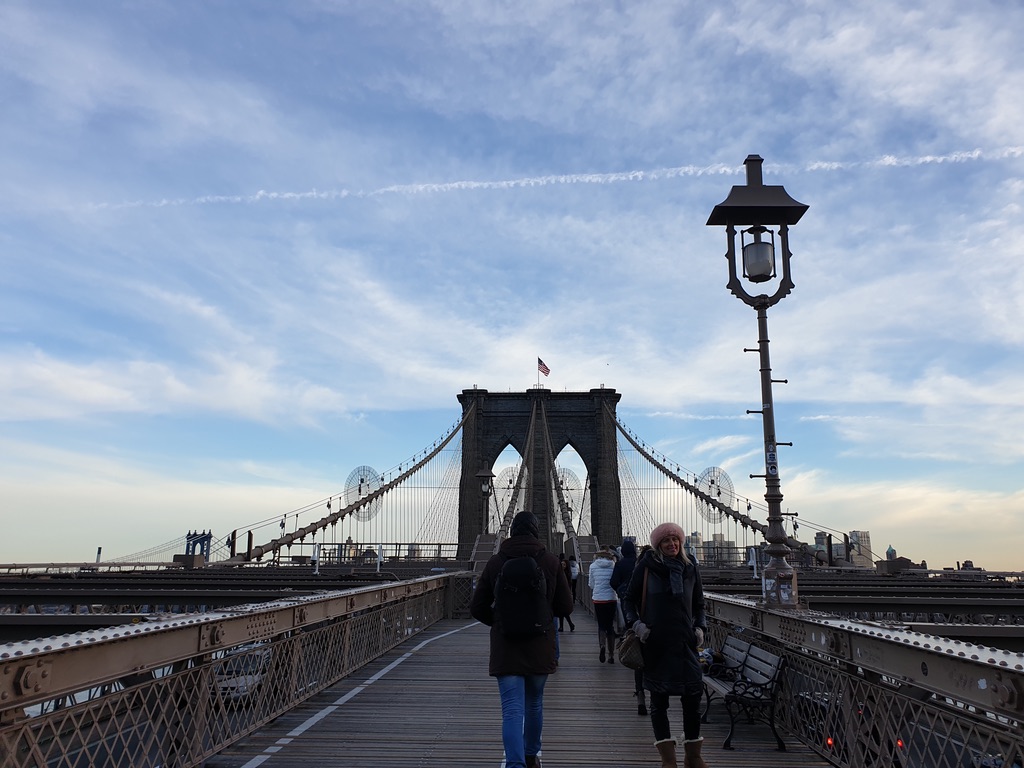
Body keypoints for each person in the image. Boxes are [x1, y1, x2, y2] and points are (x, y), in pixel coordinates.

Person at [469, 511, 573, 768]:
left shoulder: (495, 562)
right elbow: (566, 607)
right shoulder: (549, 561)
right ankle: (531, 755)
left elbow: (477, 606)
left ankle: (515, 764)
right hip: (540, 644)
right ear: (537, 530)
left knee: (512, 709)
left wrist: (499, 621)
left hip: (507, 646)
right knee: (535, 703)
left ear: (512, 531)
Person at [622, 522, 709, 768]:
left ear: (681, 542)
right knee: (658, 703)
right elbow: (628, 600)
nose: (672, 544)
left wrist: (700, 629)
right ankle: (668, 760)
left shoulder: (690, 567)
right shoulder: (647, 567)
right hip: (656, 644)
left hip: (685, 644)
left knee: (693, 699)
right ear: (657, 545)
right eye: (666, 541)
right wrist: (638, 626)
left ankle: (693, 756)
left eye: (675, 540)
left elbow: (700, 604)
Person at [609, 538, 644, 715]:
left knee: (631, 633)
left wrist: (622, 590)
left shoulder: (621, 564)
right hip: (649, 615)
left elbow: (612, 582)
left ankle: (640, 694)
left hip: (628, 605)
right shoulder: (641, 566)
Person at [587, 547, 618, 663]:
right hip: (611, 598)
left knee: (601, 625)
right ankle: (611, 655)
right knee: (610, 625)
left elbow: (591, 584)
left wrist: (597, 589)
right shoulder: (613, 565)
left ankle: (602, 646)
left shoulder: (593, 566)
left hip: (598, 599)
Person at [557, 553, 575, 632]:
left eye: (564, 564)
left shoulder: (566, 574)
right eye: (561, 564)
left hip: (564, 594)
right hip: (560, 593)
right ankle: (568, 625)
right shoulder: (561, 573)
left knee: (562, 610)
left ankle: (564, 626)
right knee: (562, 611)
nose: (562, 566)